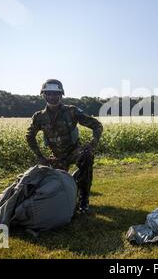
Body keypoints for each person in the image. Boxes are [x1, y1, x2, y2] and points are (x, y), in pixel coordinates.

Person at [26, 79, 103, 213]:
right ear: (43, 95)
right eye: (48, 94)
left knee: (86, 155)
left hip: (74, 152)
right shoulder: (39, 117)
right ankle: (75, 179)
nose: (52, 97)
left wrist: (92, 144)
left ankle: (83, 199)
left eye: (55, 94)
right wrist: (41, 157)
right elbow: (29, 136)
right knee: (51, 187)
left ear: (61, 95)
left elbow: (97, 125)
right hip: (56, 158)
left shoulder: (72, 111)